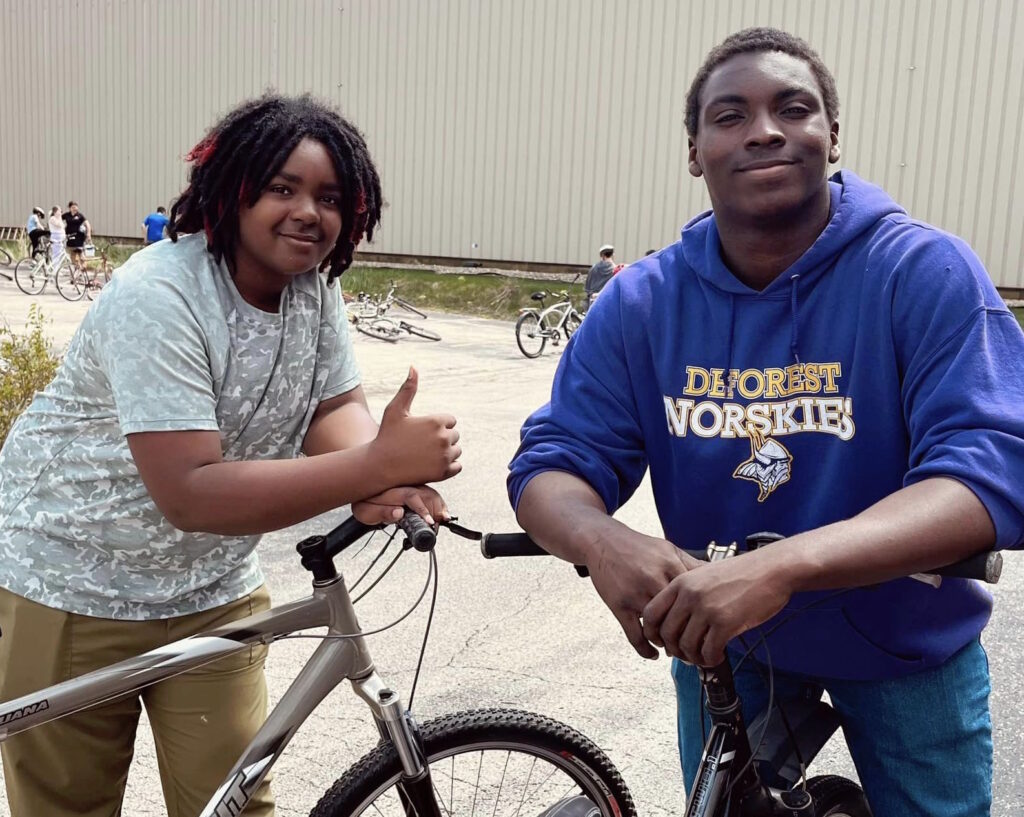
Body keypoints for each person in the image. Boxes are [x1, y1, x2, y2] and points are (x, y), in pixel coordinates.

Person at [508, 27, 1024, 816]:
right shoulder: (643, 303)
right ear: (694, 151)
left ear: (831, 134)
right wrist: (601, 539)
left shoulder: (922, 271)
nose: (765, 130)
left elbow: (989, 471)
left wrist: (783, 566)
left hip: (909, 642)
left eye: (794, 107)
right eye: (730, 115)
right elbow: (550, 464)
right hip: (729, 650)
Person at [0, 93, 462, 817]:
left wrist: (378, 472)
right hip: (71, 581)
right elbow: (190, 490)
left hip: (210, 590)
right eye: (283, 187)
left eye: (331, 196)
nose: (309, 211)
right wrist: (373, 466)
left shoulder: (316, 288)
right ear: (232, 189)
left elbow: (332, 407)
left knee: (235, 804)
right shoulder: (160, 294)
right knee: (68, 807)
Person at [62, 200, 91, 271]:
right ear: (70, 208)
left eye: (76, 207)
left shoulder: (80, 215)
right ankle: (77, 269)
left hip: (79, 237)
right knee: (72, 254)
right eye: (73, 207)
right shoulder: (66, 215)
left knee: (81, 254)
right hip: (70, 237)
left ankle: (83, 269)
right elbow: (58, 219)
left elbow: (87, 224)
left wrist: (88, 234)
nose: (75, 208)